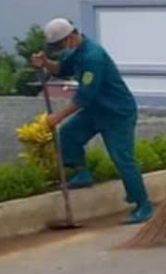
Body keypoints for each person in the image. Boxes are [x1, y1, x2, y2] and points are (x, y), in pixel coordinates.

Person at [30, 18, 152, 224]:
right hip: (96, 109)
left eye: (60, 46)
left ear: (70, 37)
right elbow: (61, 69)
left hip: (117, 112)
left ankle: (143, 204)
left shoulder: (92, 57)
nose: (59, 50)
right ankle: (82, 173)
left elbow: (84, 97)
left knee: (122, 158)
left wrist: (58, 116)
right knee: (67, 135)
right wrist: (46, 64)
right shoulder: (74, 51)